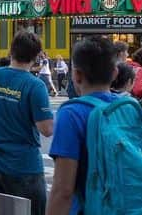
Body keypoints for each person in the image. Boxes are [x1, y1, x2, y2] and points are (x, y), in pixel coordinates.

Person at [0, 31, 53, 215]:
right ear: (36, 56)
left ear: (11, 51)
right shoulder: (35, 85)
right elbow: (46, 129)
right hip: (23, 168)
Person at [47, 36, 121, 215]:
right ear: (115, 73)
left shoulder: (72, 114)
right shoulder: (129, 107)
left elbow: (63, 191)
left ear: (77, 75)